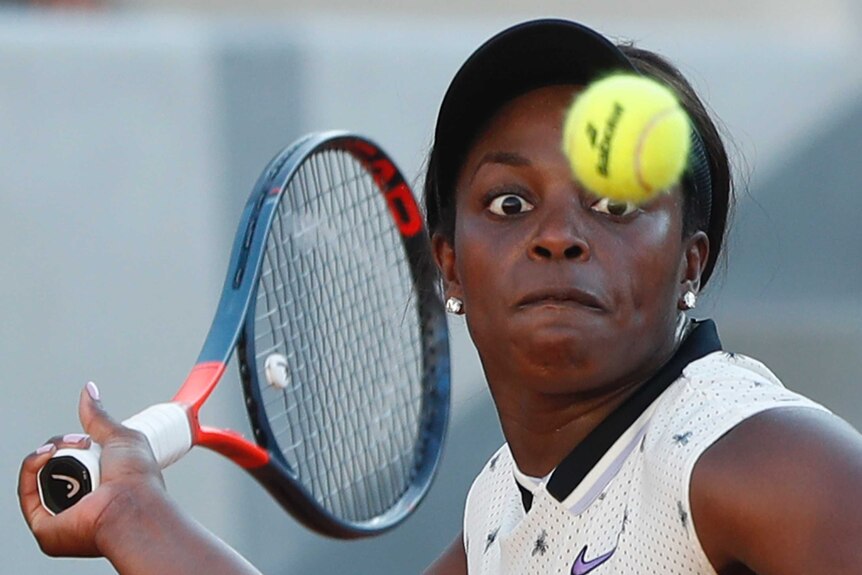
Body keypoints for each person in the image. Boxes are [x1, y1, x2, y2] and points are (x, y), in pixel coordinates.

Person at [18, 18, 862, 575]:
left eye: (615, 205)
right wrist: (127, 507)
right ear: (450, 268)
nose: (557, 234)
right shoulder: (503, 510)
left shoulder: (770, 463)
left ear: (689, 263)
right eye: (509, 202)